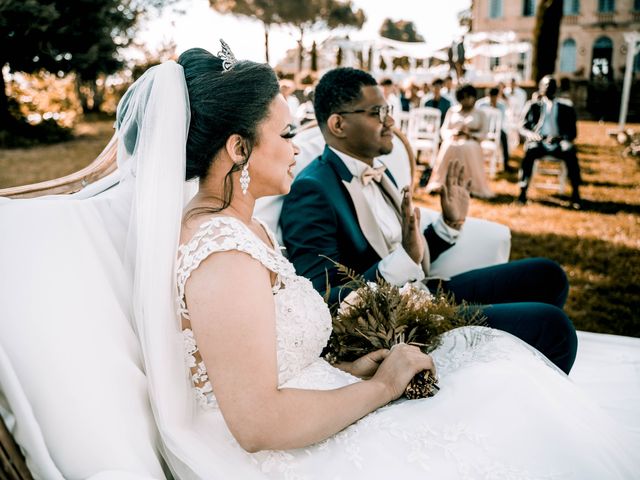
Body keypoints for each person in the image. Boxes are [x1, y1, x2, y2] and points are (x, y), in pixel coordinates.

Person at [31, 46, 634, 478]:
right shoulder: (221, 253)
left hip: (326, 398)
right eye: (287, 133)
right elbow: (259, 422)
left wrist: (353, 366)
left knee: (506, 392)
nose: (300, 146)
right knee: (511, 405)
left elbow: (267, 359)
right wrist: (385, 385)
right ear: (239, 150)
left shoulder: (237, 233)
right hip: (285, 453)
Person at [518, 75, 583, 208]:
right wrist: (532, 135)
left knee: (570, 150)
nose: (548, 88)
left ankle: (576, 193)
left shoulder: (566, 107)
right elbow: (522, 127)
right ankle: (522, 191)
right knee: (530, 150)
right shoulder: (533, 105)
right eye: (546, 85)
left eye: (552, 85)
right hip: (539, 142)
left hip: (558, 142)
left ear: (556, 88)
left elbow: (573, 133)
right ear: (541, 87)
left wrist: (561, 138)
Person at [424, 84, 495, 198]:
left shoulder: (480, 113)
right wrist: (452, 134)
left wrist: (470, 134)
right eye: (463, 97)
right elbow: (444, 129)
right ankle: (443, 182)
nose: (466, 100)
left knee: (466, 148)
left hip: (472, 141)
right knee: (448, 146)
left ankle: (470, 185)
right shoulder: (452, 111)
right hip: (453, 139)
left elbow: (484, 132)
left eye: (469, 97)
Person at [476, 86, 514, 172]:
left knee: (504, 138)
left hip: (496, 129)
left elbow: (502, 120)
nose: (493, 99)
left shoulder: (502, 106)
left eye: (495, 97)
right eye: (491, 97)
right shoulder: (480, 104)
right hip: (482, 128)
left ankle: (505, 164)